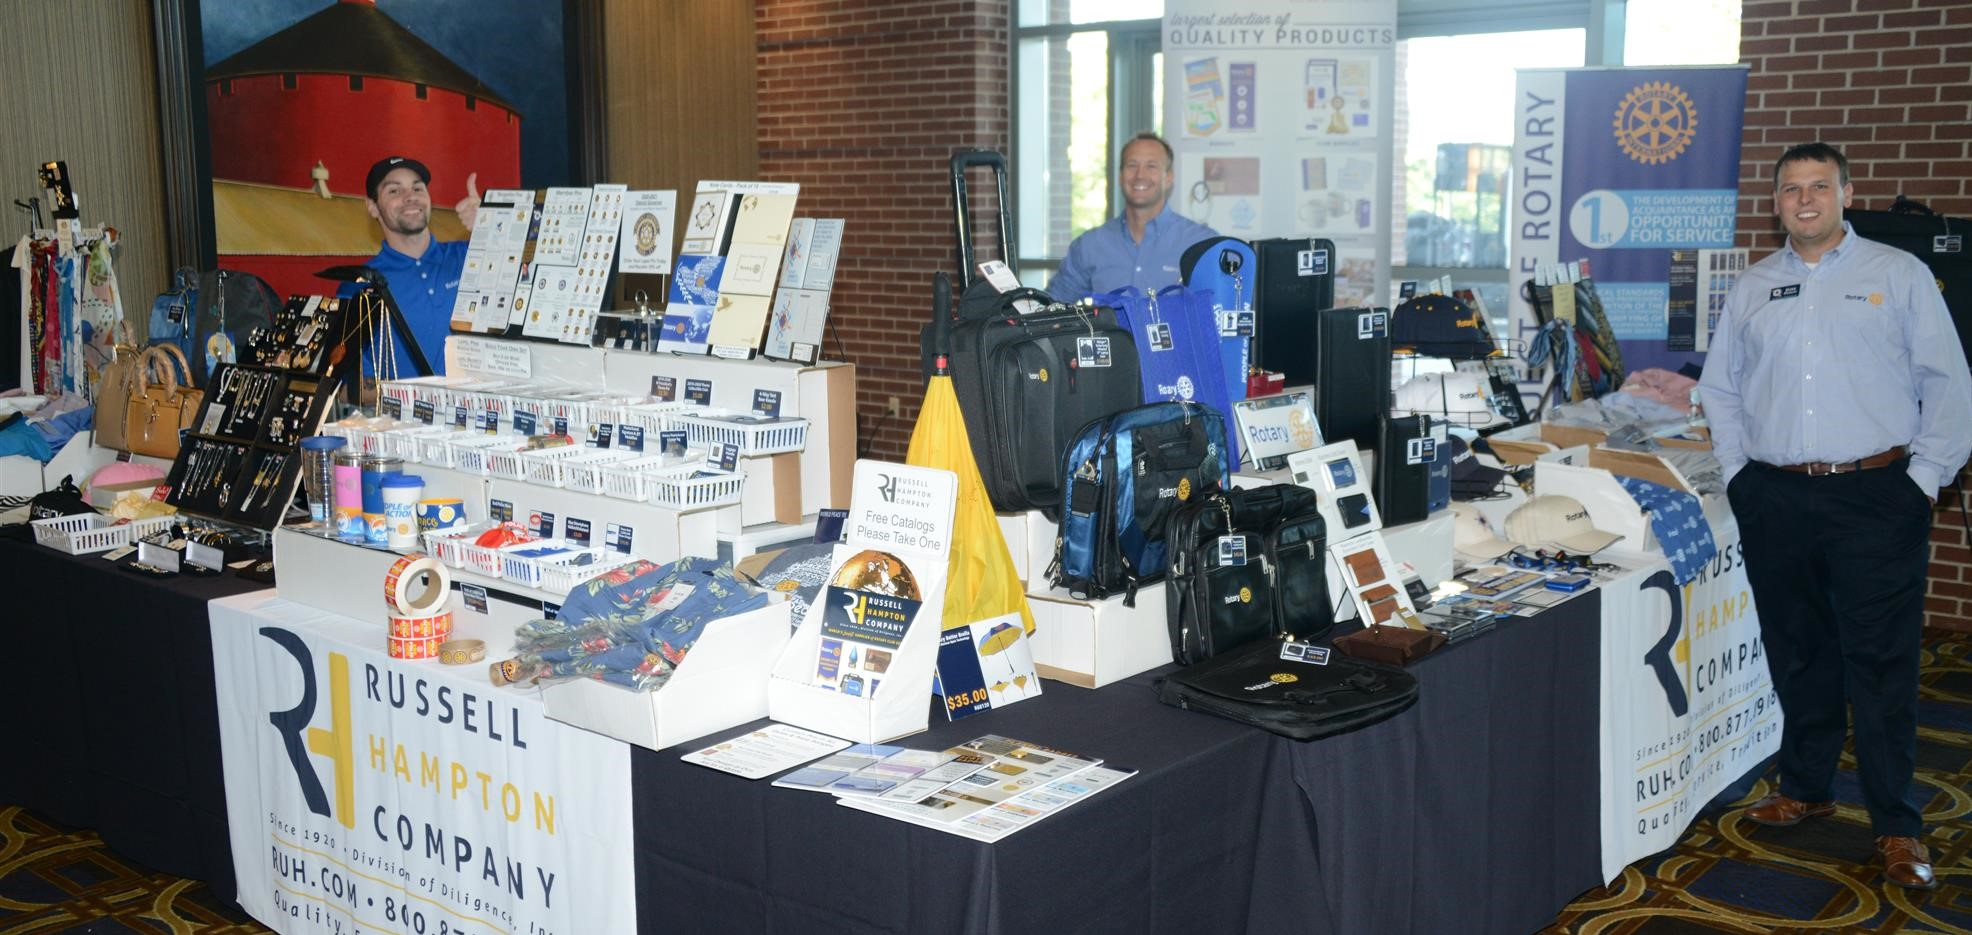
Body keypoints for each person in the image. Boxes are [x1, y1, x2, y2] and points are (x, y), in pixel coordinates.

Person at [1699, 141, 1972, 891]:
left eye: (1819, 186)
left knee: (1881, 665)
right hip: (1777, 496)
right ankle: (1806, 786)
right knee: (1799, 652)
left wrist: (1923, 481)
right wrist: (1739, 473)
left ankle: (1897, 823)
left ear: (1846, 194)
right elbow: (1721, 389)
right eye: (1792, 189)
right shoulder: (1753, 286)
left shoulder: (1898, 274)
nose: (1805, 199)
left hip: (1876, 496)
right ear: (1777, 203)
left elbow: (1948, 381)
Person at [1047, 132, 1217, 301]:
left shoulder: (1202, 245)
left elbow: (1221, 308)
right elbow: (1051, 305)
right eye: (1132, 165)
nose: (1140, 175)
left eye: (1151, 166)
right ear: (1120, 176)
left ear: (1168, 177)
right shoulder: (1090, 245)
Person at [353, 155, 481, 376]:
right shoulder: (360, 284)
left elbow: (536, 280)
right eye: (394, 191)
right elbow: (352, 382)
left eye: (417, 188)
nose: (410, 197)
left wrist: (490, 229)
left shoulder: (470, 255)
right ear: (373, 207)